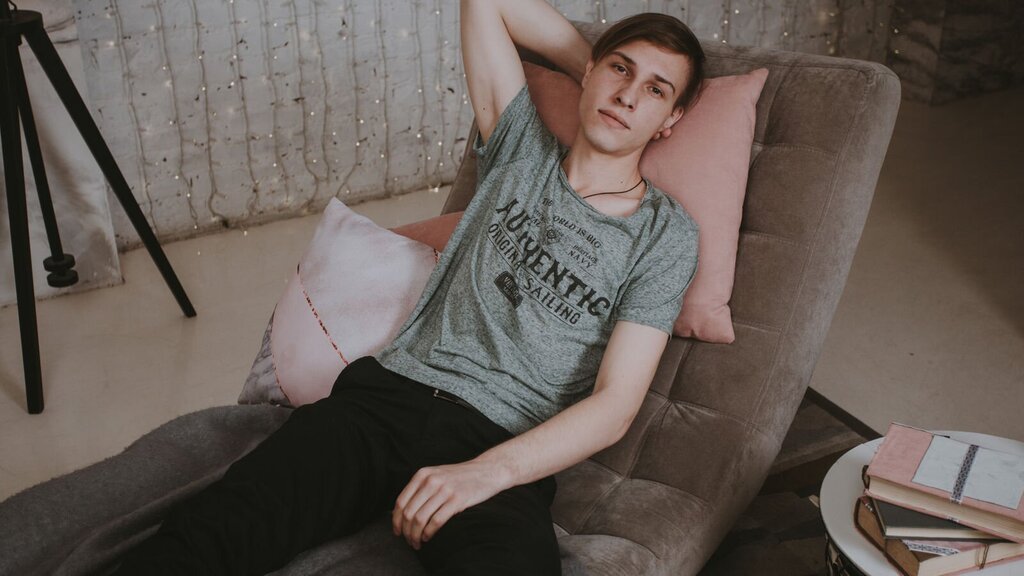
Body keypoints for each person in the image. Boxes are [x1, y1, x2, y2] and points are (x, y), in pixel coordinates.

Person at [113, 1, 703, 574]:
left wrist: (488, 473)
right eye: (621, 68)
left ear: (672, 120)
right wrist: (592, 72)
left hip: (498, 444)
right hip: (386, 400)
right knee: (209, 534)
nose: (629, 95)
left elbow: (615, 405)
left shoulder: (664, 235)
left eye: (655, 90)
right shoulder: (521, 148)